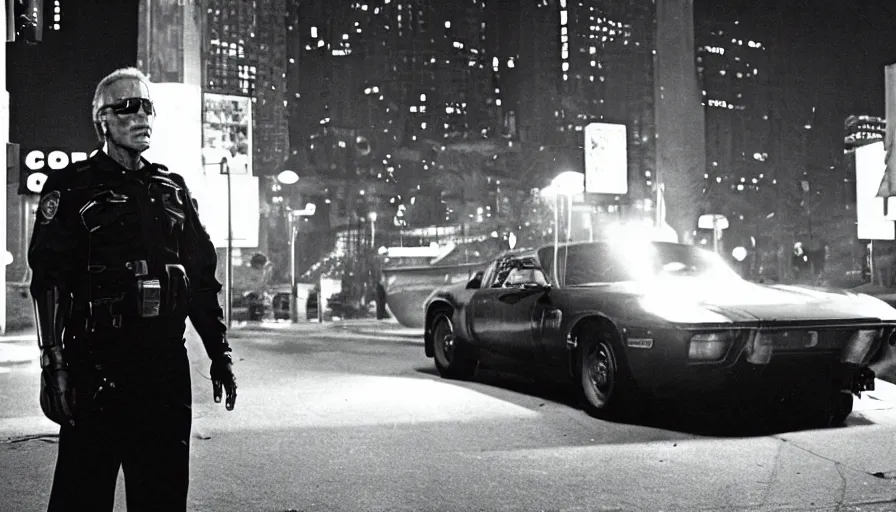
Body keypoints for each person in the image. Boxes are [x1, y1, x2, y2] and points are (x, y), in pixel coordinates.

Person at [28, 67, 237, 512]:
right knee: (81, 498)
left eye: (147, 107)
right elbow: (47, 279)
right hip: (96, 367)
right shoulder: (70, 187)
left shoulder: (172, 189)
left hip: (163, 372)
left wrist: (220, 353)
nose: (141, 116)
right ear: (102, 119)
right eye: (127, 107)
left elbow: (200, 279)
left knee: (162, 498)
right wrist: (55, 364)